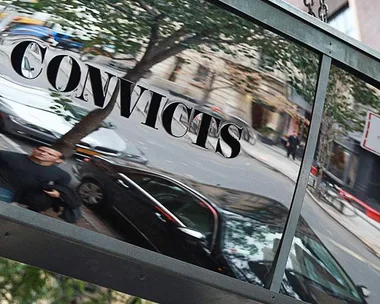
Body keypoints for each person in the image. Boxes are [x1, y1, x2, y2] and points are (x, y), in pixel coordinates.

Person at [0, 146, 71, 204]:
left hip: (23, 196)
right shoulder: (8, 156)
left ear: (59, 160)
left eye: (50, 154)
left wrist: (56, 193)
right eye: (41, 150)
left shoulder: (61, 175)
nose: (43, 154)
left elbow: (62, 189)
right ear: (34, 150)